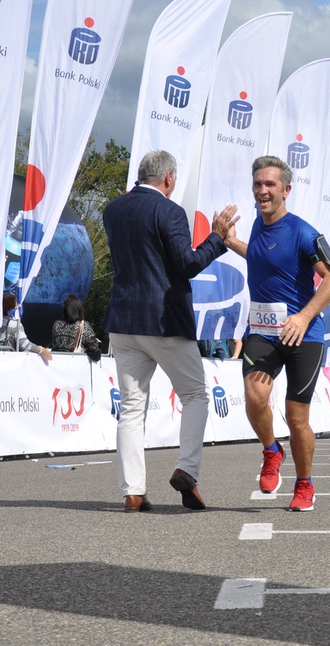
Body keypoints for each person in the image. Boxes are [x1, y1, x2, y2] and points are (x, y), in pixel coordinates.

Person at [103, 150, 238, 513]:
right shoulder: (169, 211)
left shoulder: (113, 210)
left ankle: (133, 492)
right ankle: (187, 470)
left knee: (131, 409)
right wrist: (217, 238)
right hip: (163, 321)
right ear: (168, 178)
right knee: (195, 395)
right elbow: (187, 264)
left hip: (123, 321)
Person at [223, 155, 330, 512]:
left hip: (304, 335)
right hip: (263, 331)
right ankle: (271, 450)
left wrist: (303, 317)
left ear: (286, 190)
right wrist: (231, 241)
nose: (263, 191)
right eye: (258, 184)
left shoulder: (304, 232)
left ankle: (305, 483)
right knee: (254, 395)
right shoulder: (258, 225)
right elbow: (264, 258)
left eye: (270, 185)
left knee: (296, 416)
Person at [0, 293, 52, 361]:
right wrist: (42, 350)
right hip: (5, 361)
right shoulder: (14, 324)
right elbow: (24, 345)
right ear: (11, 307)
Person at [51, 295, 102, 361]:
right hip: (74, 364)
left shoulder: (56, 324)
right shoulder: (84, 326)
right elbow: (96, 355)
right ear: (79, 309)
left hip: (56, 362)